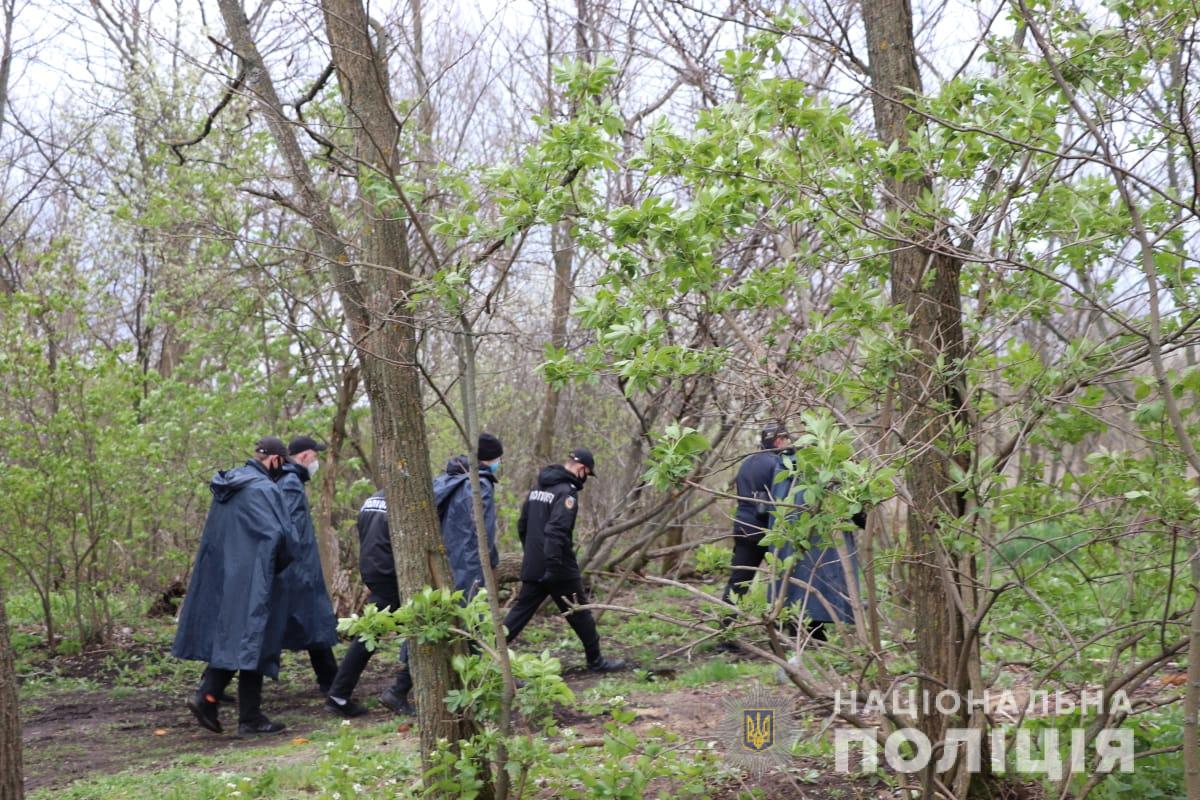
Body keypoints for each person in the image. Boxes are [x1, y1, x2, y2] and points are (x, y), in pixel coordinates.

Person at [325, 433, 507, 718]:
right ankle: (376, 692)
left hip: (376, 570)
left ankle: (352, 692)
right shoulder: (467, 486)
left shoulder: (383, 496)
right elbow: (471, 536)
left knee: (389, 628)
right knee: (428, 625)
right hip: (395, 574)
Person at [173, 437, 297, 735]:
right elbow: (284, 538)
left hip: (225, 577)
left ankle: (211, 698)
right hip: (256, 578)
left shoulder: (228, 486)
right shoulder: (265, 489)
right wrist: (279, 567)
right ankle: (244, 715)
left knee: (236, 638)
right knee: (255, 639)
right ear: (276, 460)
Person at [502, 448, 625, 672]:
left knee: (518, 615)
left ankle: (485, 653)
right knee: (581, 613)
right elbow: (557, 529)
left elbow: (523, 524)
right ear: (582, 469)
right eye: (587, 474)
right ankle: (596, 661)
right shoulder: (566, 492)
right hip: (558, 567)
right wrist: (552, 564)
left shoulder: (538, 487)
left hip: (534, 563)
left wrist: (532, 554)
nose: (585, 479)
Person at [767, 454, 864, 643]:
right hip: (823, 541)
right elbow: (853, 507)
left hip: (791, 539)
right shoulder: (833, 467)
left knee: (796, 582)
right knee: (817, 581)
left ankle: (803, 629)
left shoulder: (784, 469)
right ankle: (808, 632)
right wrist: (862, 517)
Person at [717, 422, 792, 648]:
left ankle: (724, 636)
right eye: (787, 439)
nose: (789, 443)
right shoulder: (778, 463)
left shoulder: (748, 462)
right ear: (779, 441)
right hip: (767, 530)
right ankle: (780, 638)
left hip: (743, 528)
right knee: (783, 582)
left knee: (738, 583)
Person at [276, 436, 339, 693]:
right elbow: (291, 530)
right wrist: (300, 569)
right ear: (304, 455)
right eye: (315, 455)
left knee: (309, 623)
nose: (316, 461)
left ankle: (331, 679)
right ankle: (332, 681)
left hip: (294, 567)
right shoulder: (291, 483)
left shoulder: (286, 479)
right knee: (313, 621)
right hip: (297, 568)